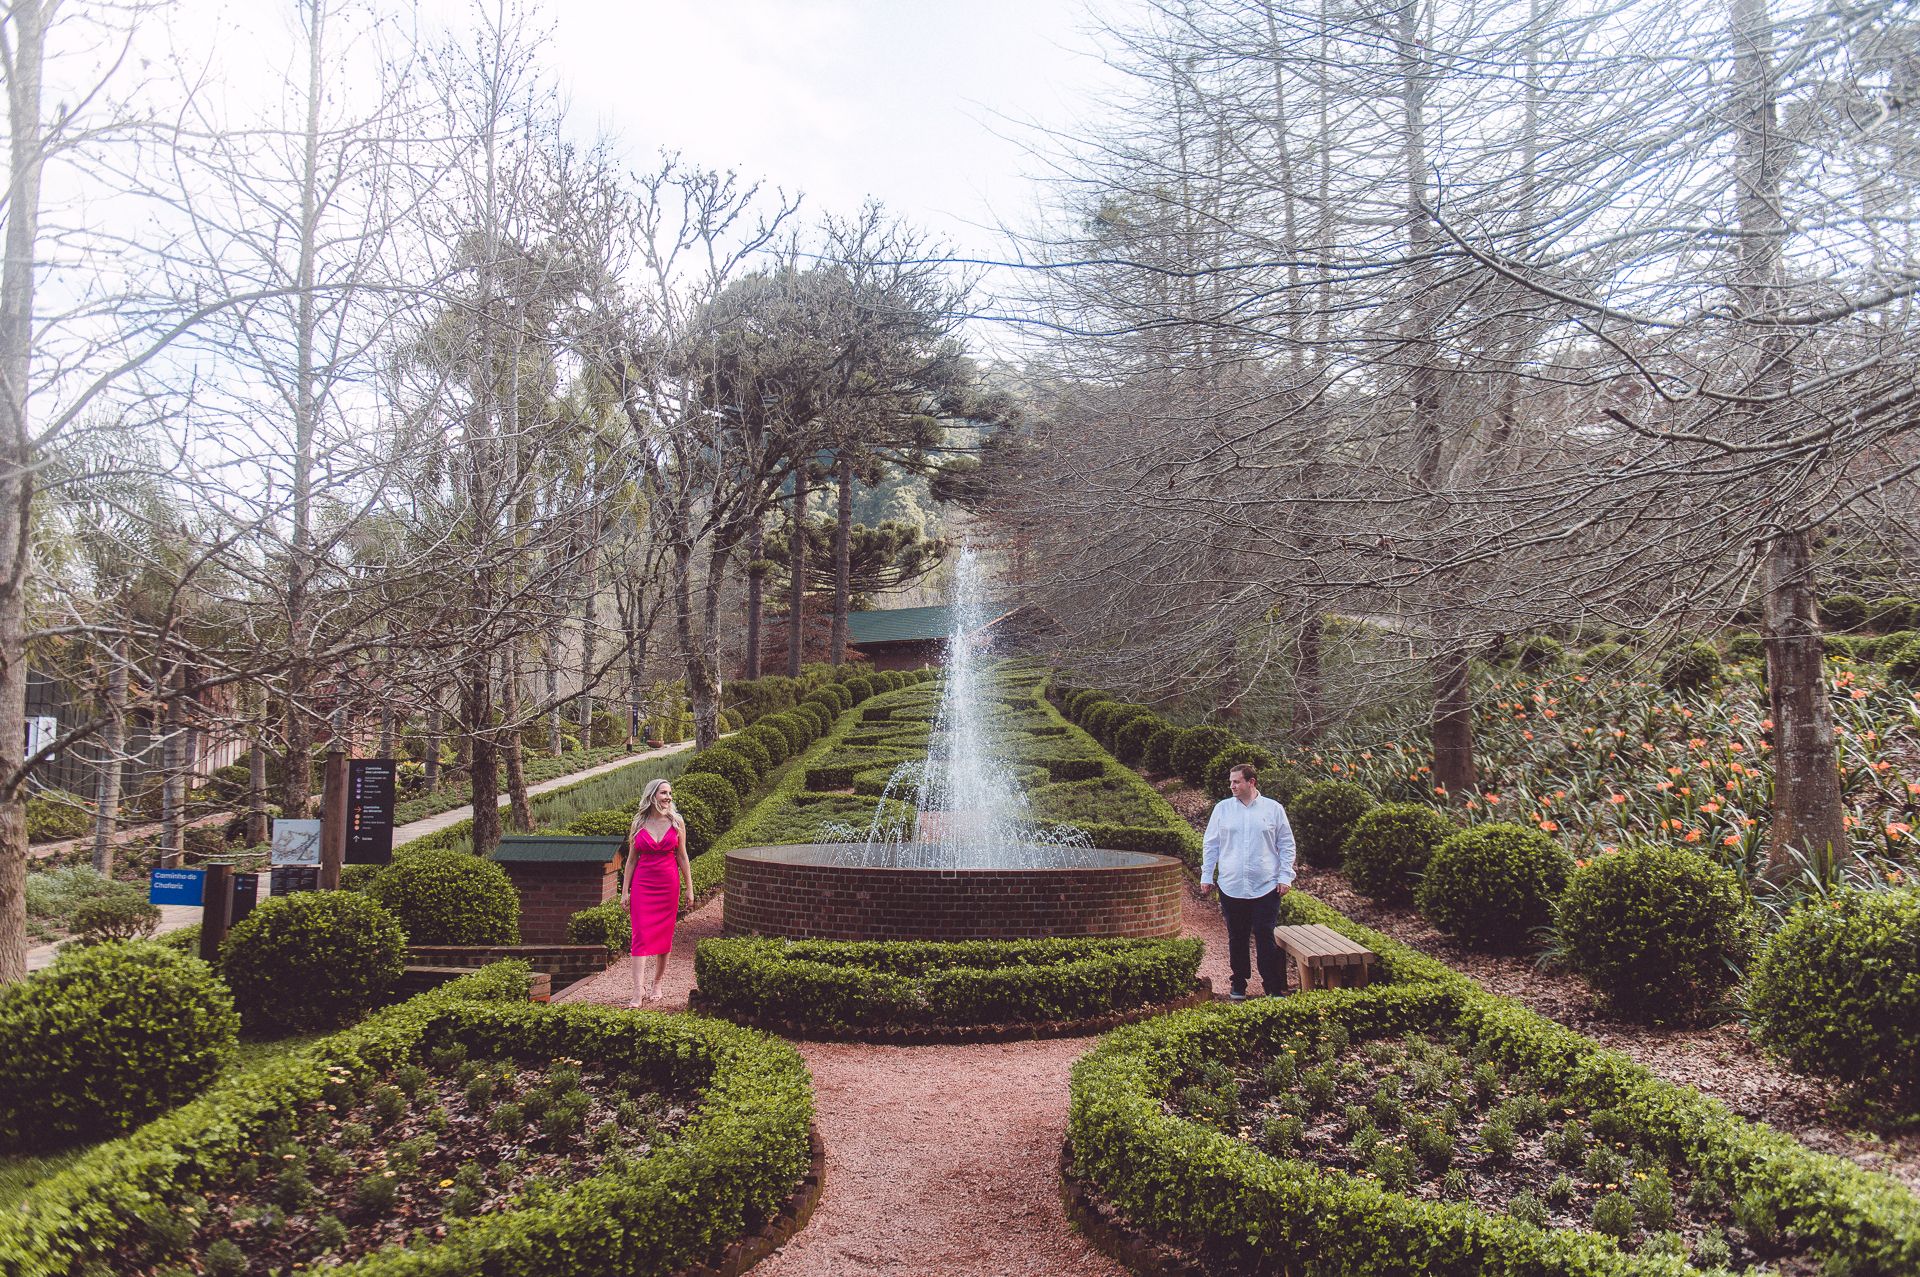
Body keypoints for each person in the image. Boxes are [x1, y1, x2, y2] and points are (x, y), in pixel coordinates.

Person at [1200, 762, 1296, 1001]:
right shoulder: (1222, 809)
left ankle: (1272, 987)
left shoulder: (1273, 809)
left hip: (1266, 886)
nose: (1232, 786)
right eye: (1231, 782)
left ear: (1251, 782)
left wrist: (1285, 876)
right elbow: (1211, 845)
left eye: (1236, 782)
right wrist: (1206, 875)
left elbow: (1286, 844)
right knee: (1237, 936)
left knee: (1265, 935)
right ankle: (1239, 983)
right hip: (1231, 886)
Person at [622, 776, 694, 1006]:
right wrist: (625, 891)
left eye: (670, 793)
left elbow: (682, 856)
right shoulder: (638, 823)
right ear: (652, 795)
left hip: (668, 884)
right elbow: (631, 861)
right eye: (664, 793)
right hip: (643, 884)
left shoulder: (677, 822)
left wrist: (689, 888)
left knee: (664, 936)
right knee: (640, 935)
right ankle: (637, 990)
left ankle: (657, 983)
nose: (668, 797)